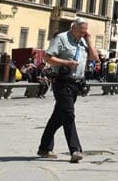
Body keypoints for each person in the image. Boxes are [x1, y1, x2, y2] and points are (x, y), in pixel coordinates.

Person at [38, 18, 91, 163]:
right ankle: (75, 150)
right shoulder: (61, 38)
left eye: (85, 31)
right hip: (62, 82)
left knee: (58, 116)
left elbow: (94, 57)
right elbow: (48, 58)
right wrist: (66, 62)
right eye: (81, 31)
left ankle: (44, 147)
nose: (82, 34)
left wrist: (90, 40)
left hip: (76, 83)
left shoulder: (83, 41)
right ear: (73, 27)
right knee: (68, 114)